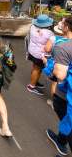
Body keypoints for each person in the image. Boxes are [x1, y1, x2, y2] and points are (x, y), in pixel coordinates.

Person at [44, 17, 72, 156]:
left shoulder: (63, 46)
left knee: (68, 121)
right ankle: (60, 140)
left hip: (66, 94)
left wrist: (48, 64)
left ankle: (62, 145)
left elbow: (59, 76)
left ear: (66, 27)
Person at [27, 14, 54, 95]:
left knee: (35, 67)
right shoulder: (49, 33)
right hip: (40, 54)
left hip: (32, 51)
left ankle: (34, 81)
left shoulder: (32, 27)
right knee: (37, 69)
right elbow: (50, 45)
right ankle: (31, 86)